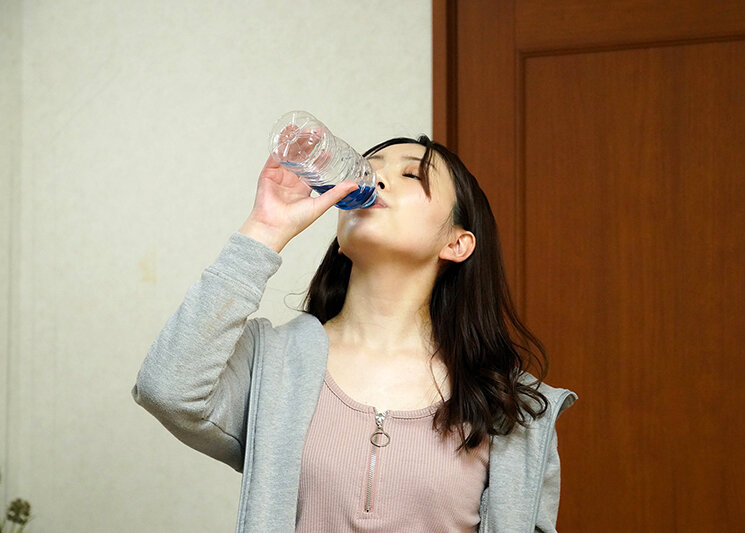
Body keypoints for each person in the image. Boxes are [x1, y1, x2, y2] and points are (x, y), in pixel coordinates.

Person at [132, 134, 578, 532]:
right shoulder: (270, 363)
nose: (375, 179)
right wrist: (265, 230)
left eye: (411, 174)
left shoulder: (512, 406)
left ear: (457, 243)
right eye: (368, 168)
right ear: (341, 239)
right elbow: (166, 389)